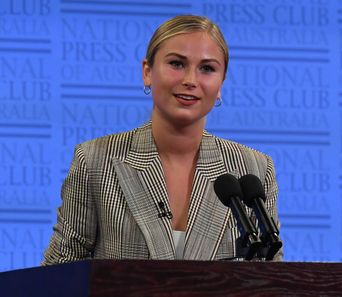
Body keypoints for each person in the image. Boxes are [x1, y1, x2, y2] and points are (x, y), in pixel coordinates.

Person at [42, 15, 283, 264]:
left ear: (221, 83)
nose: (190, 80)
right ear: (147, 72)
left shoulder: (253, 169)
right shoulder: (95, 161)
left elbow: (270, 275)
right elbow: (61, 269)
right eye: (177, 64)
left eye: (207, 68)